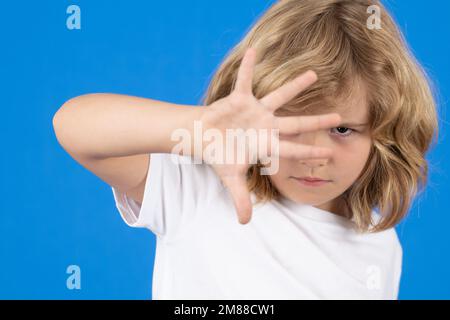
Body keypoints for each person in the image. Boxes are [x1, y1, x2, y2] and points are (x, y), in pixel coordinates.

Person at [52, 0, 439, 299]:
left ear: (385, 133)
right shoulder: (197, 187)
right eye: (285, 126)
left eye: (342, 129)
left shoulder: (380, 246)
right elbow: (74, 126)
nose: (314, 155)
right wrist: (199, 127)